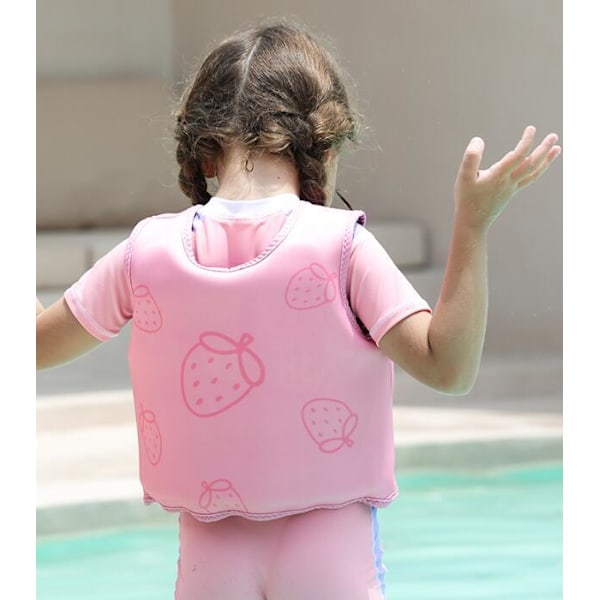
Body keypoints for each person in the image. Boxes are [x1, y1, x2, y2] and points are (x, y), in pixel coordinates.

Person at [36, 21, 561, 600]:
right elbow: (449, 367)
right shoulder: (342, 247)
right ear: (324, 145)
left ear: (203, 152)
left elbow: (32, 346)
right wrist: (474, 224)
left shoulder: (145, 254)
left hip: (211, 558)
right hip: (329, 548)